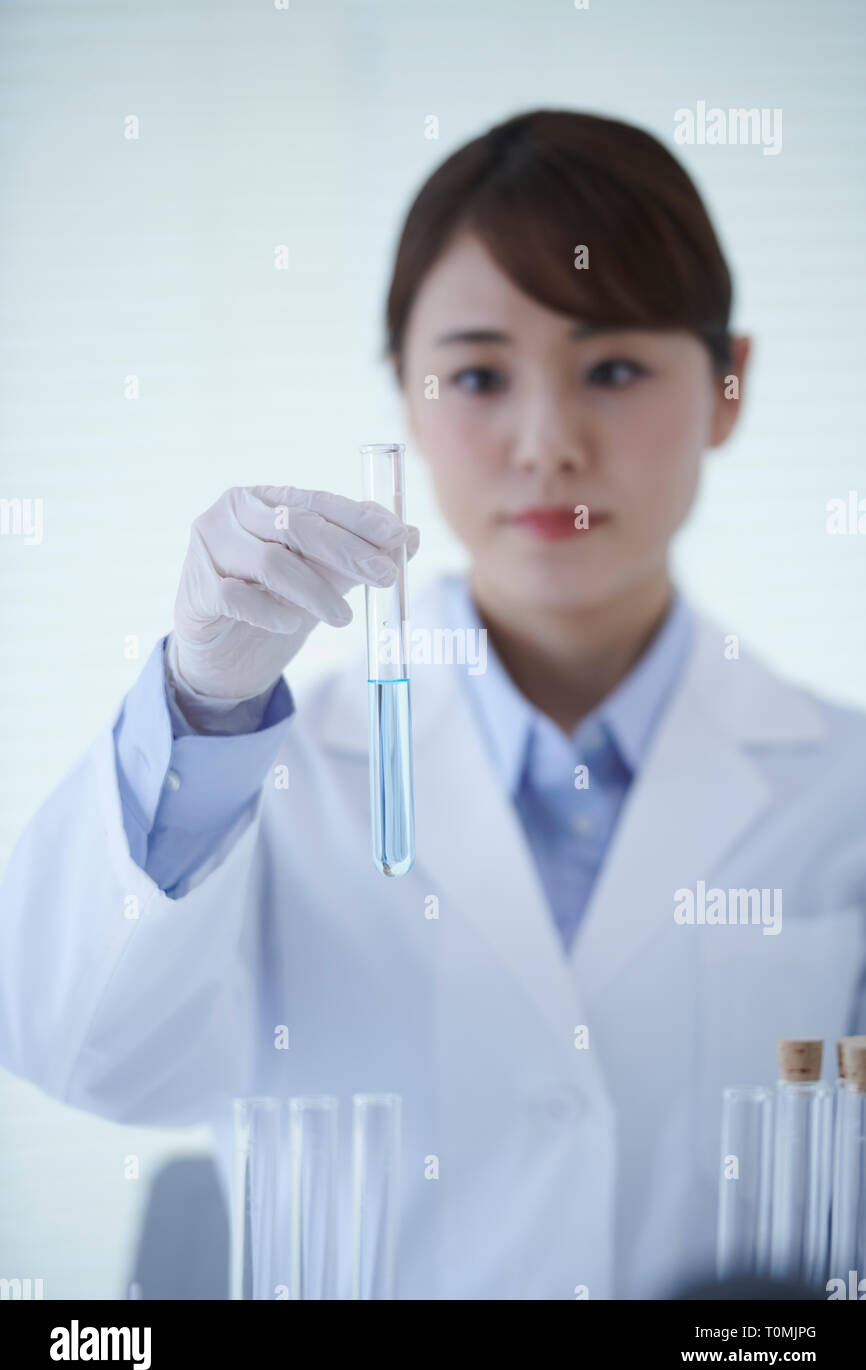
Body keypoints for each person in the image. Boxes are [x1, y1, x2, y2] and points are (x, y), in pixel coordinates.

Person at [1, 109, 865, 1301]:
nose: (546, 442)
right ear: (404, 407)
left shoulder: (842, 793)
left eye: (612, 366)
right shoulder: (266, 771)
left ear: (727, 388)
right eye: (475, 374)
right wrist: (199, 704)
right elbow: (84, 1052)